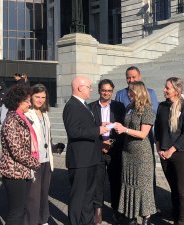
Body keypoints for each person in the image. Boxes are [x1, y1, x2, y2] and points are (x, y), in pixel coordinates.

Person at [63, 76, 110, 225]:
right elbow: (74, 131)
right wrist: (98, 130)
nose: (91, 89)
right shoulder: (72, 105)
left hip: (90, 159)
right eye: (89, 86)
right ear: (79, 88)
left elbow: (84, 125)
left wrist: (99, 124)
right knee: (78, 197)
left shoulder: (83, 105)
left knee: (89, 196)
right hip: (80, 160)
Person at [114, 81, 156, 225]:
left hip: (141, 153)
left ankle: (146, 216)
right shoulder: (129, 107)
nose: (128, 94)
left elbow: (143, 134)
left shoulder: (148, 110)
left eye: (131, 92)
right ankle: (131, 215)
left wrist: (124, 130)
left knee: (143, 185)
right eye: (128, 92)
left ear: (138, 92)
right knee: (128, 182)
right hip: (127, 152)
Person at [0, 85, 40, 225]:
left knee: (20, 210)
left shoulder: (21, 118)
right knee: (16, 212)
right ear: (18, 101)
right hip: (14, 172)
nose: (29, 103)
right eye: (27, 101)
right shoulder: (12, 120)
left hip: (23, 171)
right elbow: (17, 151)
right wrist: (35, 163)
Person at [154, 77, 184, 225]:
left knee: (182, 189)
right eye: (165, 87)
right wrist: (158, 147)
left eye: (167, 88)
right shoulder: (162, 106)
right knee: (173, 187)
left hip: (181, 152)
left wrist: (172, 150)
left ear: (176, 91)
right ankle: (176, 214)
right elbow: (157, 128)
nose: (164, 90)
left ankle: (182, 221)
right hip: (164, 152)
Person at [89, 79, 126, 224]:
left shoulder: (119, 107)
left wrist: (110, 143)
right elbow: (89, 128)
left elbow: (121, 129)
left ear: (113, 91)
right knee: (97, 181)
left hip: (114, 150)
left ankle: (116, 210)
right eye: (104, 90)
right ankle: (97, 210)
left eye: (109, 91)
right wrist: (100, 143)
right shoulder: (90, 107)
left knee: (116, 181)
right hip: (97, 150)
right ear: (99, 91)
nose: (106, 93)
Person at [25, 84, 60, 225]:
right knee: (33, 195)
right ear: (31, 97)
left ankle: (44, 220)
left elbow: (46, 137)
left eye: (43, 97)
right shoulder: (27, 113)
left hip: (46, 160)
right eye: (37, 96)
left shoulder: (45, 114)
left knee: (44, 193)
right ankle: (33, 221)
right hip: (34, 160)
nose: (40, 100)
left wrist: (53, 147)